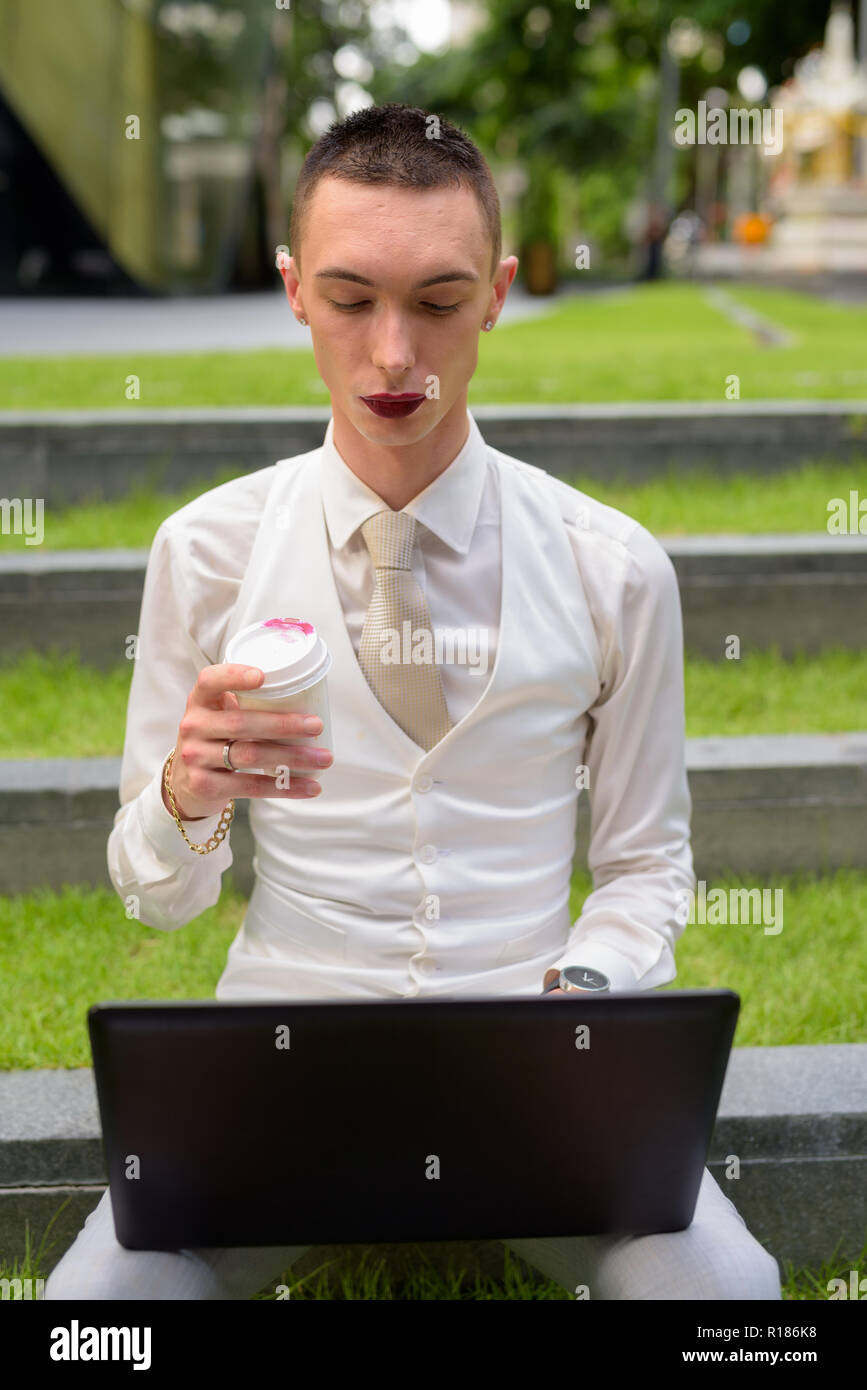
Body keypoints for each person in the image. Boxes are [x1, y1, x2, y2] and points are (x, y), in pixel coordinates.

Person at [46, 103, 780, 1302]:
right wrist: (186, 794)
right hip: (274, 1088)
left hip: (545, 1089)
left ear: (496, 293)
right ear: (291, 290)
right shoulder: (208, 552)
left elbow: (647, 866)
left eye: (439, 304)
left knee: (733, 1309)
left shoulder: (614, 565)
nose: (395, 357)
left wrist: (582, 996)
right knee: (91, 1323)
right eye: (351, 300)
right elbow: (154, 896)